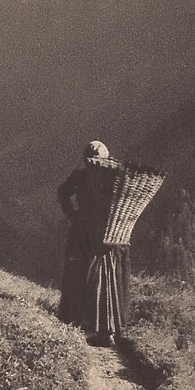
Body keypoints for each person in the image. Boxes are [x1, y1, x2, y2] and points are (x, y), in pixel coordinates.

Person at [57, 140, 130, 347]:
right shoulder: (113, 177)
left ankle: (96, 327)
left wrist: (73, 215)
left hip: (96, 235)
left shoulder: (88, 176)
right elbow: (63, 193)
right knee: (103, 279)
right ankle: (102, 328)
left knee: (90, 277)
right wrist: (73, 215)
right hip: (104, 236)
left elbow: (63, 193)